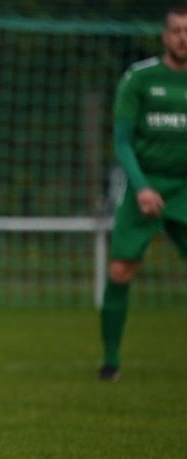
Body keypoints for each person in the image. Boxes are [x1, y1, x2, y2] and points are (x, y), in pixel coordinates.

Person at [99, 5, 187, 381]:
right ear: (165, 36)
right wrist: (142, 187)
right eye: (176, 30)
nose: (183, 37)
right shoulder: (140, 78)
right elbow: (122, 142)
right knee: (120, 269)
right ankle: (111, 361)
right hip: (146, 183)